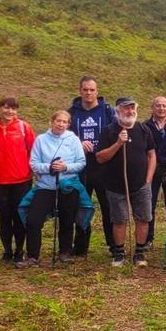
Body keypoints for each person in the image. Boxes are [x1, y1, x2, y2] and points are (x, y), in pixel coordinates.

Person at [19, 110, 87, 267]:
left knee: (67, 219)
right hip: (46, 186)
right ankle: (33, 256)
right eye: (58, 121)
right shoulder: (41, 140)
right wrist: (49, 167)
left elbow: (81, 162)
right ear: (52, 121)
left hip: (68, 185)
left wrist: (65, 167)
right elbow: (34, 163)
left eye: (64, 122)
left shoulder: (74, 139)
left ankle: (64, 252)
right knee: (33, 220)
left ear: (68, 124)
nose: (61, 124)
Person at [94, 97, 156, 267]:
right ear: (118, 111)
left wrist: (149, 178)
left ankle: (140, 253)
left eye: (132, 108)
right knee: (119, 220)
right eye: (126, 109)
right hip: (115, 186)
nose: (130, 112)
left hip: (141, 185)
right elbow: (100, 158)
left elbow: (152, 155)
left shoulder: (144, 130)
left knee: (143, 218)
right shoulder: (109, 131)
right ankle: (119, 253)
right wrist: (118, 143)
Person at [0, 97, 35, 263]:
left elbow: (34, 150)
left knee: (19, 216)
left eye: (13, 108)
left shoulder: (24, 127)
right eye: (6, 108)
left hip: (22, 180)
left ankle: (19, 250)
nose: (9, 111)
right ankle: (7, 251)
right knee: (4, 216)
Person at [68, 76, 117, 256]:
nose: (88, 93)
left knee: (108, 208)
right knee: (81, 206)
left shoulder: (107, 111)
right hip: (80, 168)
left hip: (104, 167)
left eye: (92, 90)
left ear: (97, 91)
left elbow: (117, 132)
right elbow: (64, 138)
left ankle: (114, 246)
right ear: (80, 91)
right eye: (85, 90)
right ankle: (80, 248)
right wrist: (78, 144)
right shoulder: (72, 112)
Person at [145, 96, 166, 247]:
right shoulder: (145, 126)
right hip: (151, 170)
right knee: (149, 204)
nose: (161, 108)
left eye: (164, 105)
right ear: (152, 108)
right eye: (158, 105)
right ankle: (148, 239)